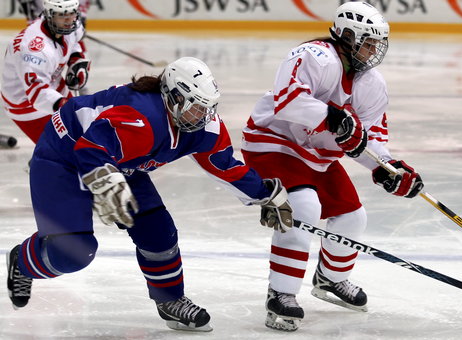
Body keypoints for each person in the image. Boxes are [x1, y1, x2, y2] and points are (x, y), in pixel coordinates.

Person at [5, 56, 293, 332]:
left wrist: (264, 194)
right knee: (73, 252)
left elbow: (224, 166)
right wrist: (106, 181)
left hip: (118, 162)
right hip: (62, 158)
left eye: (208, 108)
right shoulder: (142, 116)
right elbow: (90, 149)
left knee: (159, 231)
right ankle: (23, 261)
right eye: (196, 108)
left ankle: (170, 299)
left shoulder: (203, 126)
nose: (202, 117)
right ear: (173, 97)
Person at [241, 2, 424, 331]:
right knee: (303, 206)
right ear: (347, 35)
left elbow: (370, 139)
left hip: (317, 156)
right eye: (368, 42)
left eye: (376, 44)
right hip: (274, 143)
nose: (373, 50)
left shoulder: (372, 83)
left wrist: (386, 168)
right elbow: (289, 99)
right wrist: (333, 118)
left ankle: (330, 279)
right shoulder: (313, 56)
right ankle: (280, 294)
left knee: (353, 216)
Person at [2, 0, 90, 144]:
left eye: (72, 13)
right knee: (64, 149)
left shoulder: (70, 24)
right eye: (62, 15)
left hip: (54, 86)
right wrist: (64, 104)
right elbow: (37, 94)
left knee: (82, 138)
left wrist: (76, 61)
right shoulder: (34, 50)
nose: (68, 20)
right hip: (26, 105)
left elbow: (75, 42)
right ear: (49, 15)